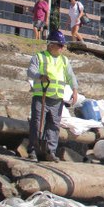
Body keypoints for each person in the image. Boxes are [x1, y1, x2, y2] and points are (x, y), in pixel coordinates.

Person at [26, 30, 78, 162]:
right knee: (37, 123)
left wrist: (75, 90)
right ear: (51, 44)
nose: (62, 48)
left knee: (54, 126)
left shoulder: (64, 60)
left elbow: (70, 76)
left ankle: (51, 151)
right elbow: (31, 71)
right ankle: (33, 150)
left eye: (63, 46)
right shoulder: (40, 57)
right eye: (60, 45)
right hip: (41, 96)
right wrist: (40, 76)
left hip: (57, 99)